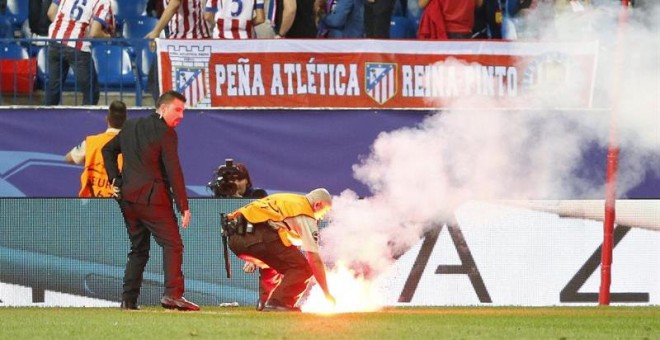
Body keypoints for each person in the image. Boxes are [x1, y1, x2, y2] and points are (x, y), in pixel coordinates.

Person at [102, 90, 199, 311]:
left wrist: (115, 179)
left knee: (138, 249)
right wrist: (183, 206)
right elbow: (174, 171)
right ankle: (173, 295)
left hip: (128, 199)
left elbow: (107, 149)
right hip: (153, 199)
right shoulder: (166, 133)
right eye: (178, 109)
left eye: (183, 111)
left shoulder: (130, 126)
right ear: (163, 108)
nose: (181, 115)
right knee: (172, 244)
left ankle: (128, 299)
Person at [223, 188, 336, 312]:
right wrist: (326, 292)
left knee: (274, 263)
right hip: (259, 237)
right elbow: (314, 260)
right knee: (302, 268)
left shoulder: (287, 200)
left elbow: (259, 219)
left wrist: (254, 255)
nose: (322, 217)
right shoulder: (305, 213)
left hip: (235, 238)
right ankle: (279, 302)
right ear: (317, 204)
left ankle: (266, 302)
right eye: (324, 212)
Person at [45, 0, 114, 105]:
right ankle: (87, 120)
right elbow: (94, 32)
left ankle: (46, 118)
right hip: (77, 45)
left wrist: (64, 28)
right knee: (91, 92)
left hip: (55, 40)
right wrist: (107, 37)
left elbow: (50, 13)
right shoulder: (103, 2)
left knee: (53, 88)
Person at [145, 0, 211, 104]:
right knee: (156, 79)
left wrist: (156, 32)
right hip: (186, 40)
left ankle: (165, 112)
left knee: (157, 80)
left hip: (187, 41)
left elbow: (174, 4)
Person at [65, 101, 127, 198]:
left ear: (107, 119)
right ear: (125, 121)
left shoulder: (91, 142)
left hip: (93, 206)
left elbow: (68, 158)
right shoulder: (132, 144)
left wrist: (89, 159)